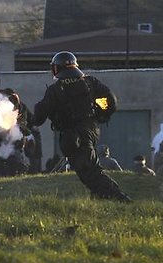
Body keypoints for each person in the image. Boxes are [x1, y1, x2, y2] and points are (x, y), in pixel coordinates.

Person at [32, 51, 131, 202]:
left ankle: (119, 199)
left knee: (90, 172)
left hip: (72, 136)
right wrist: (100, 115)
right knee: (90, 169)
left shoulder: (56, 90)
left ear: (56, 69)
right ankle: (102, 198)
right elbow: (111, 101)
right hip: (92, 130)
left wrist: (33, 113)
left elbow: (38, 118)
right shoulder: (90, 82)